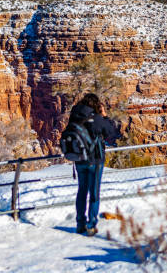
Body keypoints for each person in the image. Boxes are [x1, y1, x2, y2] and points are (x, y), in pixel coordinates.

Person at [63, 93, 122, 236]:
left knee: (82, 191)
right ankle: (91, 225)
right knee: (94, 193)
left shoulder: (75, 116)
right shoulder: (96, 118)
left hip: (79, 160)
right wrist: (104, 115)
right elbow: (111, 132)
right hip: (94, 161)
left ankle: (80, 223)